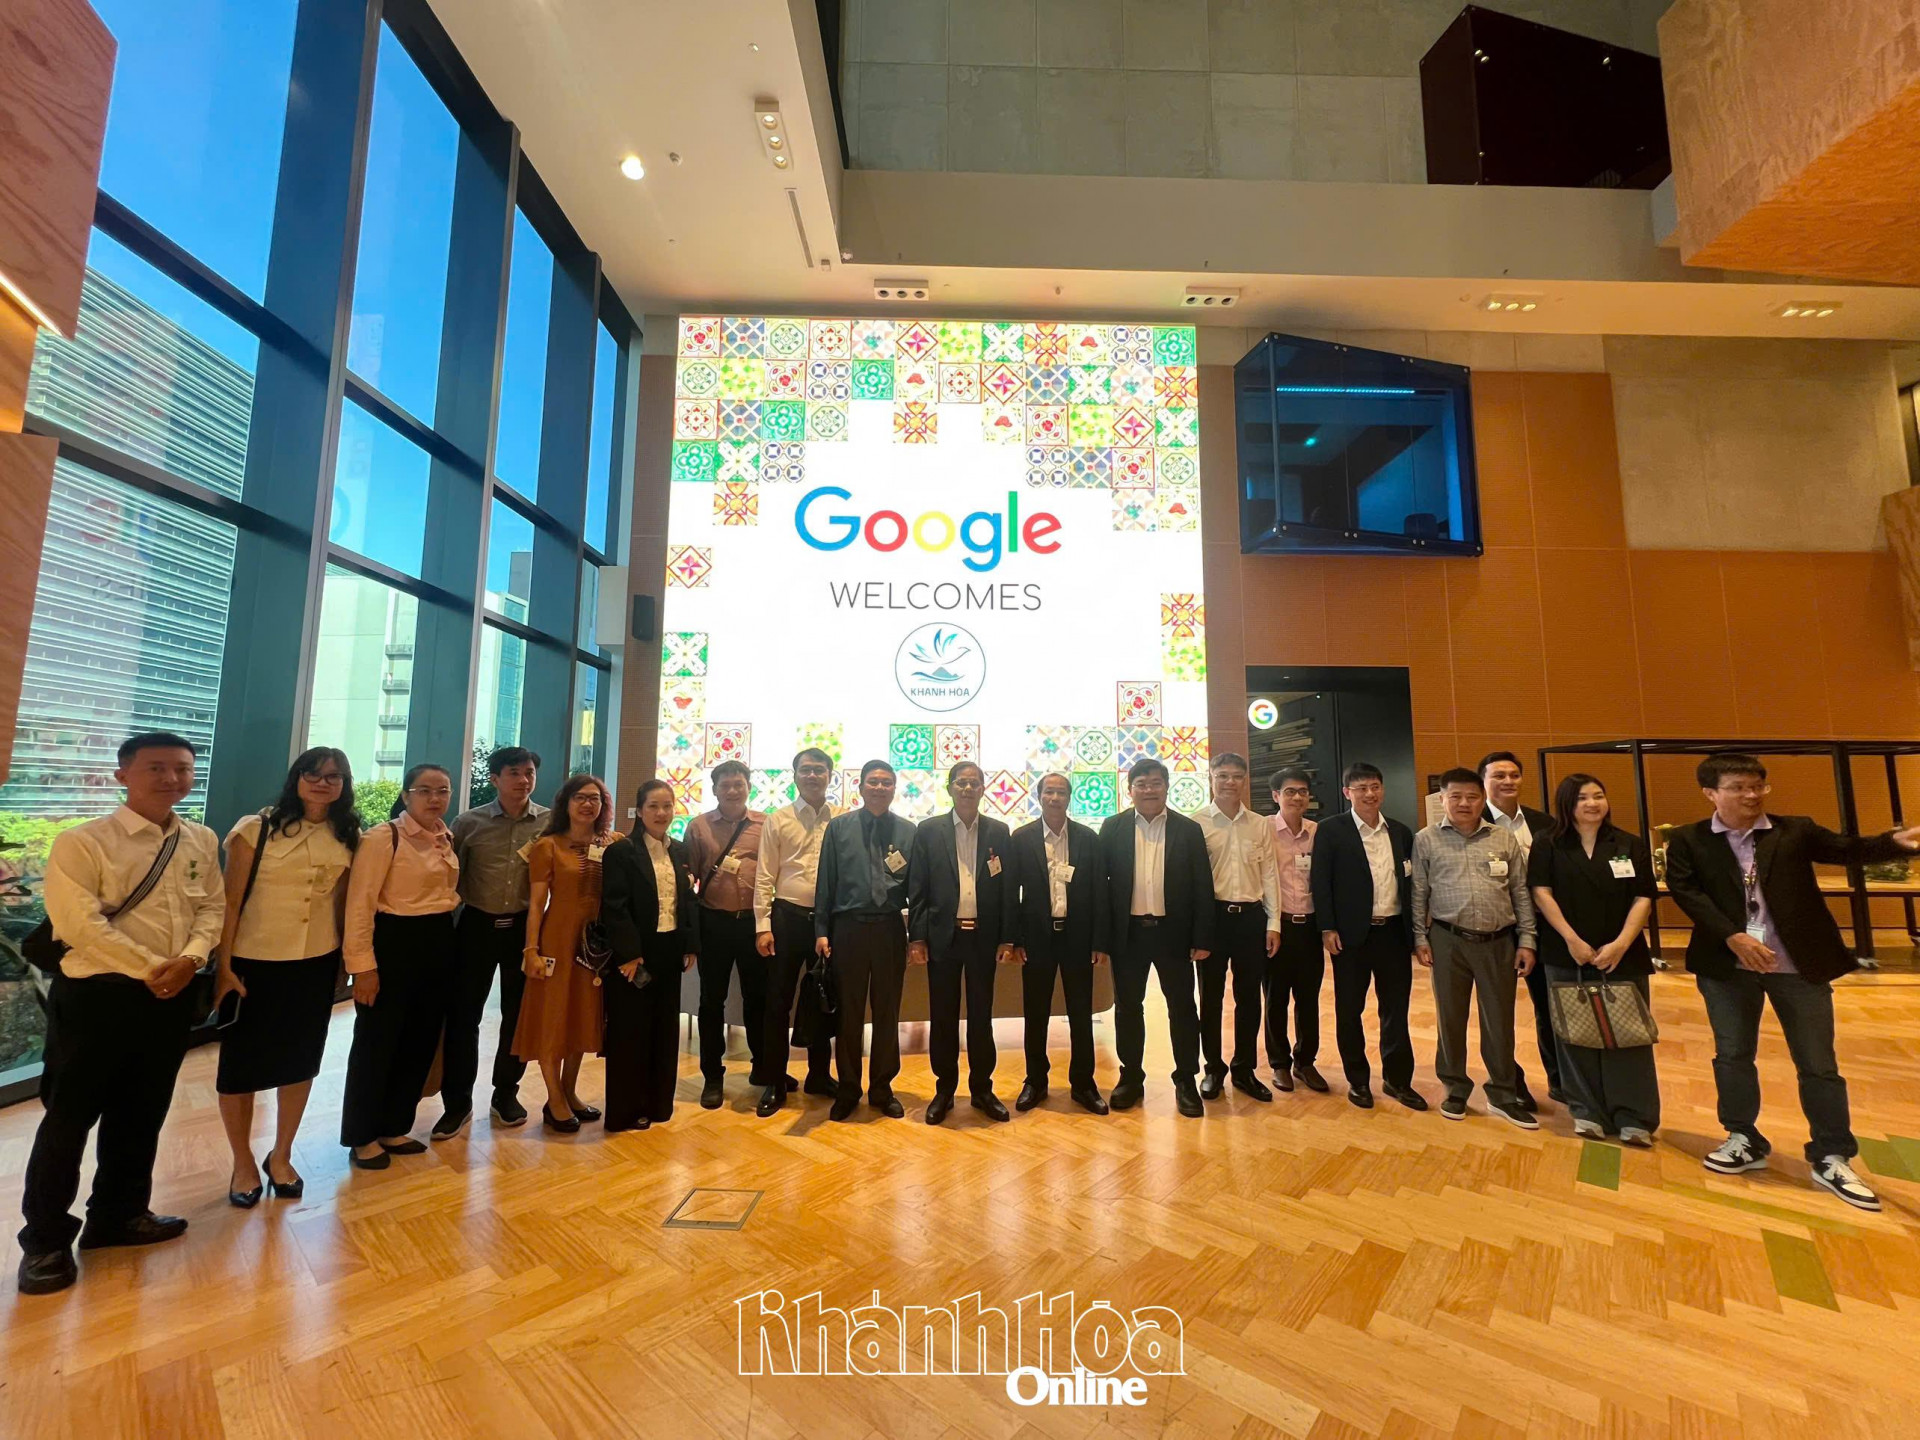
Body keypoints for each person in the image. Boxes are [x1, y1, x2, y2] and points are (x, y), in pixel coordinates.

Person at [1664, 752, 1920, 1211]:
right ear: (1711, 793)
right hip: (1729, 969)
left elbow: (1849, 849)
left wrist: (1895, 842)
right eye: (1739, 787)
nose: (1752, 795)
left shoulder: (1794, 830)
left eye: (1758, 785)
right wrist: (1733, 936)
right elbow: (1687, 892)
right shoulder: (1689, 839)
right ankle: (1743, 1136)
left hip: (1798, 966)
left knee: (1818, 1063)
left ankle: (1832, 1154)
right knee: (1733, 1055)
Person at [17, 733, 224, 1296]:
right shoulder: (83, 842)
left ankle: (117, 1215)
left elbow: (212, 906)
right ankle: (45, 1242)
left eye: (182, 769)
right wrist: (157, 966)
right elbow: (78, 925)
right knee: (69, 1118)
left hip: (170, 994)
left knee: (142, 1111)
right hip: (97, 998)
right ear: (122, 775)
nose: (171, 779)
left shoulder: (199, 839)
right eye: (156, 768)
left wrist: (192, 959)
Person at [214, 747, 360, 1209]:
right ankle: (241, 1162)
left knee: (300, 1063)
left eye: (333, 777)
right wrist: (222, 968)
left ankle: (281, 1154)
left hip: (315, 962)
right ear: (296, 778)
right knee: (241, 1068)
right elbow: (230, 903)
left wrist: (342, 963)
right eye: (313, 775)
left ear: (344, 785)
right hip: (252, 964)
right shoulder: (254, 829)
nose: (322, 783)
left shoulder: (347, 836)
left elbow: (340, 904)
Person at [339, 763, 461, 1170]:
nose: (434, 799)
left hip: (438, 942)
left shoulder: (446, 836)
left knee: (420, 1040)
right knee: (377, 1042)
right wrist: (363, 967)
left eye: (442, 790)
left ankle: (394, 1125)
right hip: (393, 944)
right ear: (406, 795)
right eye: (424, 790)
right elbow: (359, 906)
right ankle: (361, 1135)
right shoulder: (383, 837)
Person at [1527, 774, 1659, 1144]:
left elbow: (1643, 897)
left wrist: (1620, 943)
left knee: (1628, 1033)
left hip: (1623, 953)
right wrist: (1572, 939)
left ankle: (1635, 1116)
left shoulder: (1628, 844)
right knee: (1574, 1033)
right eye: (1582, 798)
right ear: (1567, 804)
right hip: (1566, 952)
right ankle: (1587, 1111)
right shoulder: (1548, 844)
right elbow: (1541, 892)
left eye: (1598, 796)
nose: (1592, 804)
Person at [1412, 768, 1538, 1129]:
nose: (1464, 803)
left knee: (1499, 1021)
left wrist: (1527, 940)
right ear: (1442, 799)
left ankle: (1502, 1093)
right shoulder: (1426, 839)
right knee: (1450, 1018)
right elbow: (1419, 892)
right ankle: (1455, 1088)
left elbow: (1520, 892)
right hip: (1448, 940)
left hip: (1499, 941)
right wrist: (1420, 939)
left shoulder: (1502, 839)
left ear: (1483, 798)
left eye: (1472, 796)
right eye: (1456, 797)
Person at [441, 746, 547, 1136]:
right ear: (495, 779)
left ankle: (506, 1092)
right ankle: (457, 1102)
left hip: (524, 930)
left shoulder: (548, 824)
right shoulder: (468, 823)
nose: (524, 780)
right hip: (476, 926)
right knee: (463, 1017)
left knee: (517, 1016)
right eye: (515, 773)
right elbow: (449, 877)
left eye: (529, 773)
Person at [1098, 758, 1213, 1118]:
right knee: (1128, 1008)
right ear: (1129, 789)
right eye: (1141, 784)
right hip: (1128, 935)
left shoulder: (1188, 829)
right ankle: (1131, 1077)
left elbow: (1201, 888)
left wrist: (1202, 936)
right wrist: (1102, 940)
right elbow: (1102, 890)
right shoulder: (1112, 827)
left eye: (1156, 783)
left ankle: (1185, 1080)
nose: (1149, 790)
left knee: (1182, 1008)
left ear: (1167, 787)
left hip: (1173, 934)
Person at [909, 761, 1017, 1124]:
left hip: (984, 938)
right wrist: (918, 938)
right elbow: (918, 889)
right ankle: (944, 1090)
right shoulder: (928, 831)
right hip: (943, 936)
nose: (968, 788)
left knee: (982, 1017)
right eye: (961, 782)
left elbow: (1006, 889)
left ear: (984, 788)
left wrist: (1007, 938)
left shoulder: (999, 831)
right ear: (950, 788)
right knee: (943, 1017)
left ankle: (982, 1089)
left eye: (974, 782)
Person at [1311, 762, 1421, 1111]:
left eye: (1374, 786)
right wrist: (1327, 927)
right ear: (1347, 793)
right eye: (1360, 788)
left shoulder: (1402, 833)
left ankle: (1397, 1080)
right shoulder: (1331, 830)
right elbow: (1321, 882)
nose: (1369, 794)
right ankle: (1358, 1080)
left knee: (1395, 1010)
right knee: (1349, 1010)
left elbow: (1412, 884)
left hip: (1393, 933)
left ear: (1382, 789)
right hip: (1350, 937)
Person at [814, 760, 917, 1122]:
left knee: (887, 1011)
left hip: (890, 927)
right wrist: (822, 931)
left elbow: (917, 890)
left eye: (886, 782)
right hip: (849, 929)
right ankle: (847, 1089)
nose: (879, 787)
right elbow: (825, 881)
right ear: (860, 787)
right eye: (872, 782)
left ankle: (882, 1088)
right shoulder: (839, 828)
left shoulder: (908, 831)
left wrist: (915, 936)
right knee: (849, 1014)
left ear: (894, 789)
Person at [514, 774, 618, 1133]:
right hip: (557, 938)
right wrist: (531, 950)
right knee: (553, 1017)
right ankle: (554, 1097)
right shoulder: (548, 846)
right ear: (566, 803)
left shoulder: (613, 843)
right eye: (580, 797)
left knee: (583, 1015)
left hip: (596, 944)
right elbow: (536, 903)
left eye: (595, 798)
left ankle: (570, 1092)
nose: (588, 804)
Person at [600, 780, 700, 1130]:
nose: (661, 813)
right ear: (639, 810)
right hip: (635, 954)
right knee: (631, 1032)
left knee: (664, 1028)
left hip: (670, 949)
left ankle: (659, 1104)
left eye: (668, 806)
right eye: (654, 806)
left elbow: (686, 901)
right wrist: (628, 954)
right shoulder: (621, 852)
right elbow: (614, 907)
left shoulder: (680, 850)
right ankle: (627, 1110)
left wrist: (690, 944)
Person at [1008, 773, 1110, 1114]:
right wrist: (1016, 939)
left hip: (1077, 938)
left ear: (1070, 797)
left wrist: (1099, 940)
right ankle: (1035, 1081)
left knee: (1080, 1013)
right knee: (1035, 1013)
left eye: (1061, 791)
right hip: (1036, 940)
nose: (1055, 797)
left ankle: (1083, 1083)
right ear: (1039, 796)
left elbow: (1099, 892)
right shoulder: (1021, 839)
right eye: (1049, 791)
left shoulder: (1088, 839)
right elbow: (1011, 894)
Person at [752, 748, 840, 1117]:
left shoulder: (841, 819)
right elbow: (765, 875)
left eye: (819, 770)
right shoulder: (779, 819)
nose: (813, 776)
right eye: (806, 770)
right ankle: (775, 1079)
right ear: (795, 775)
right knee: (778, 1002)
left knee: (822, 999)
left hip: (829, 920)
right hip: (787, 918)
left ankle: (819, 1074)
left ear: (830, 776)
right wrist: (762, 925)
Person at [1192, 753, 1281, 1102]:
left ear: (1246, 780)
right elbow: (1191, 884)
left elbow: (1270, 874)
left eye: (1237, 776)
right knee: (1210, 1000)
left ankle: (1244, 1069)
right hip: (1212, 921)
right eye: (1223, 775)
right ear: (1211, 777)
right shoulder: (1195, 823)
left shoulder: (1260, 824)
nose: (1230, 782)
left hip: (1251, 920)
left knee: (1249, 999)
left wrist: (1274, 923)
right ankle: (1213, 1068)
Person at [684, 759, 768, 1110]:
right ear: (715, 788)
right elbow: (687, 874)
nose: (733, 790)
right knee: (711, 1001)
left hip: (753, 923)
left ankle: (763, 1068)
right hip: (713, 922)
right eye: (725, 784)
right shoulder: (699, 827)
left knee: (758, 1000)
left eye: (739, 783)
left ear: (749, 787)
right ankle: (712, 1076)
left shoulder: (766, 824)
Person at [1480, 751, 1559, 1111]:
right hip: (1497, 929)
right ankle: (1510, 1081)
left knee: (1550, 1007)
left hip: (1546, 929)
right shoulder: (1470, 821)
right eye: (1499, 775)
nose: (1507, 781)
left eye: (1513, 775)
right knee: (1498, 1012)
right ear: (1484, 781)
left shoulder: (1545, 824)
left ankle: (1561, 1080)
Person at [1264, 767, 1325, 1093]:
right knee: (1275, 999)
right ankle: (1279, 1064)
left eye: (1302, 791)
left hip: (1311, 928)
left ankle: (1305, 1061)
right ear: (1276, 796)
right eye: (1290, 791)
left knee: (1308, 999)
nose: (1297, 797)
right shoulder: (1264, 830)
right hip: (1278, 928)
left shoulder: (1319, 832)